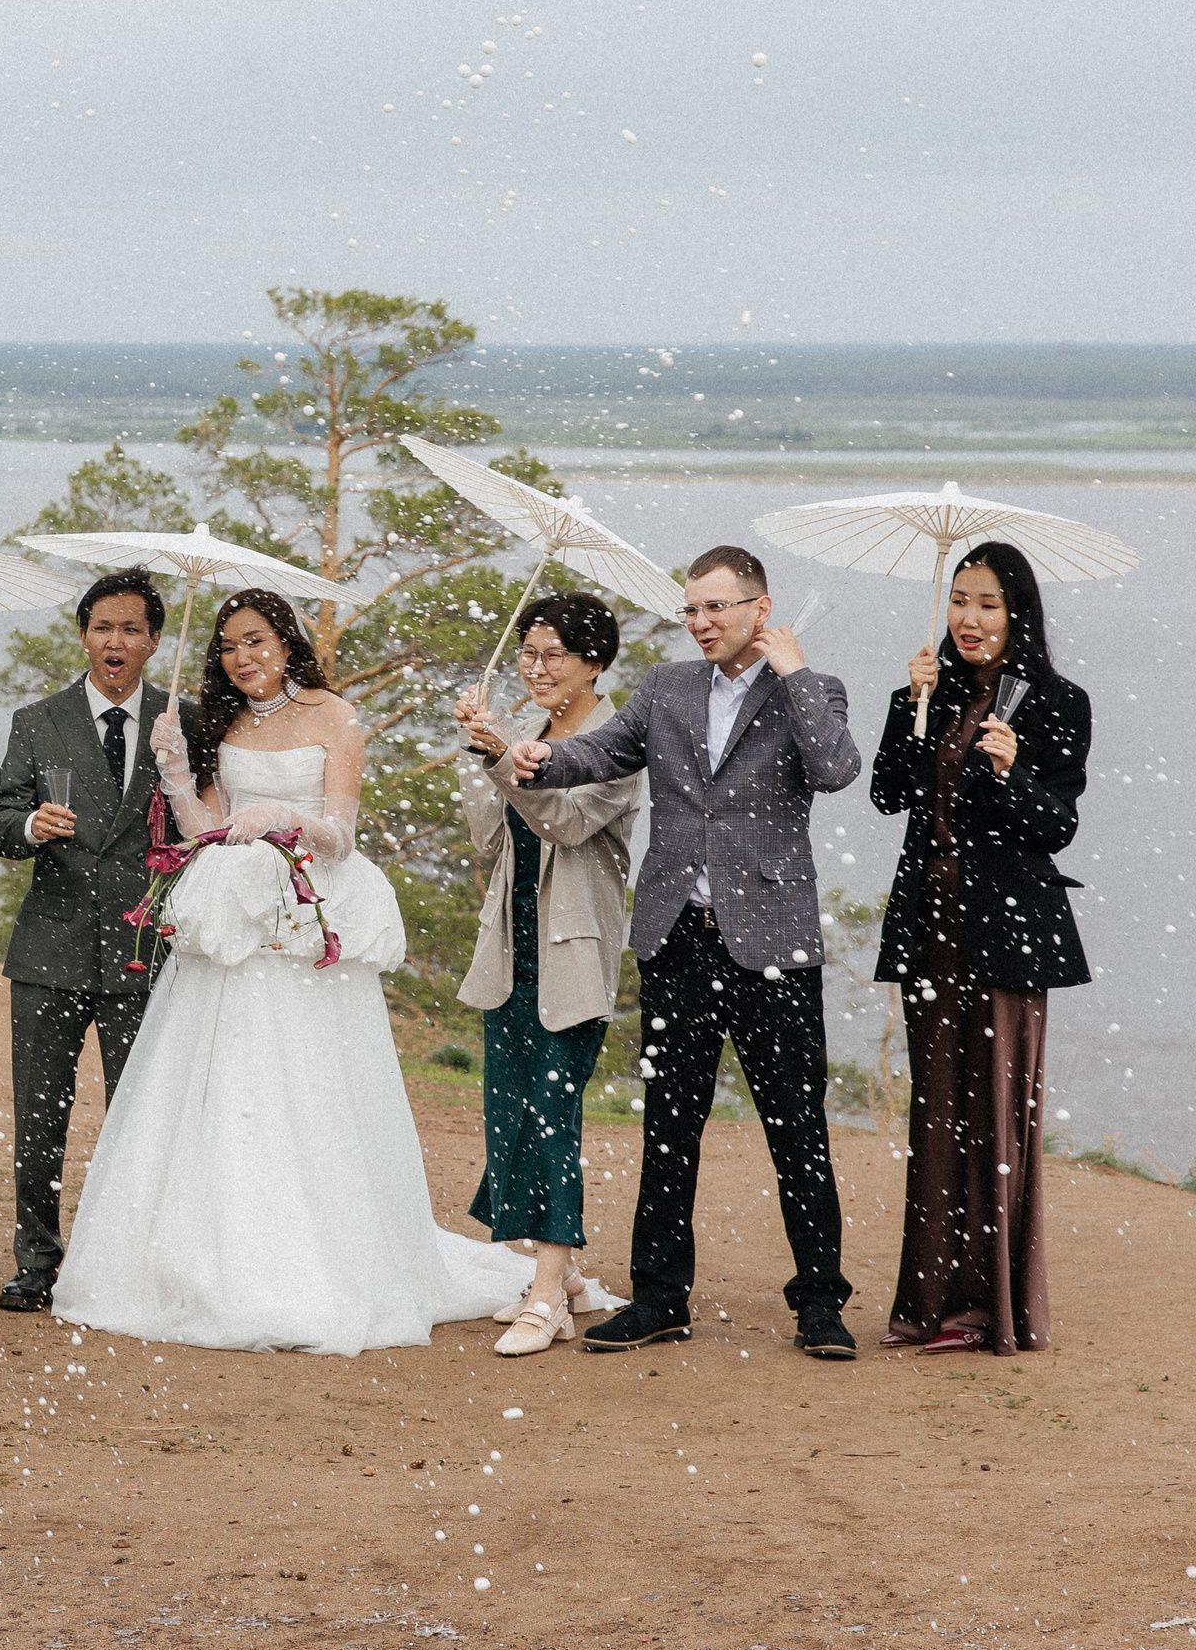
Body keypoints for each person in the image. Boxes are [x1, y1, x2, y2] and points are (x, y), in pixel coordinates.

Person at [51, 590, 534, 1355]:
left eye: (256, 641)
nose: (243, 659)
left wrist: (285, 819)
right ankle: (211, 1258)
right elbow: (204, 833)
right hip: (237, 921)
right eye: (230, 648)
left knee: (309, 1088)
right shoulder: (217, 723)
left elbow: (341, 832)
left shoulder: (334, 716)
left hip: (308, 926)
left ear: (286, 641)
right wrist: (175, 771)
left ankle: (323, 1256)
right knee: (228, 1087)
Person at [512, 545, 862, 1359]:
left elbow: (838, 769)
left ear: (758, 608)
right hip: (676, 938)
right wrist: (537, 758)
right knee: (670, 1126)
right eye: (691, 610)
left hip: (773, 942)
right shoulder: (668, 686)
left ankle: (820, 1303)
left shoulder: (810, 689)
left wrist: (797, 673)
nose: (701, 623)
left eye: (716, 608)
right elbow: (603, 751)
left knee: (797, 1127)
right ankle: (661, 1298)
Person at [870, 542, 1090, 1355]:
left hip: (1007, 935)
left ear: (1017, 613)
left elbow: (1056, 827)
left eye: (989, 603)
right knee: (936, 1114)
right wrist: (910, 705)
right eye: (960, 599)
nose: (969, 617)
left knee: (993, 1118)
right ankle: (926, 1301)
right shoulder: (925, 691)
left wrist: (1011, 771)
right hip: (932, 929)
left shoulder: (1057, 703)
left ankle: (989, 1305)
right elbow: (889, 793)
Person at [0, 571, 191, 1314]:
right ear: (83, 635)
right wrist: (32, 825)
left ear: (154, 641)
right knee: (40, 1116)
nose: (116, 642)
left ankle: (133, 1259)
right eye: (103, 627)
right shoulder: (38, 721)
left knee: (142, 1117)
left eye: (132, 629)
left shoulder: (182, 720)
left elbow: (208, 827)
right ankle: (35, 1261)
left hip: (148, 952)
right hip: (51, 949)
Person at [451, 594, 641, 1357]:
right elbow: (486, 838)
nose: (535, 668)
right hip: (510, 947)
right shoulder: (525, 730)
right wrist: (481, 750)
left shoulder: (618, 739)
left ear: (595, 663)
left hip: (573, 951)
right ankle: (561, 1278)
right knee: (511, 1114)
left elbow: (563, 821)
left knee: (553, 1116)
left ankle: (547, 1289)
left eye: (554, 654)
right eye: (528, 653)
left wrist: (502, 758)